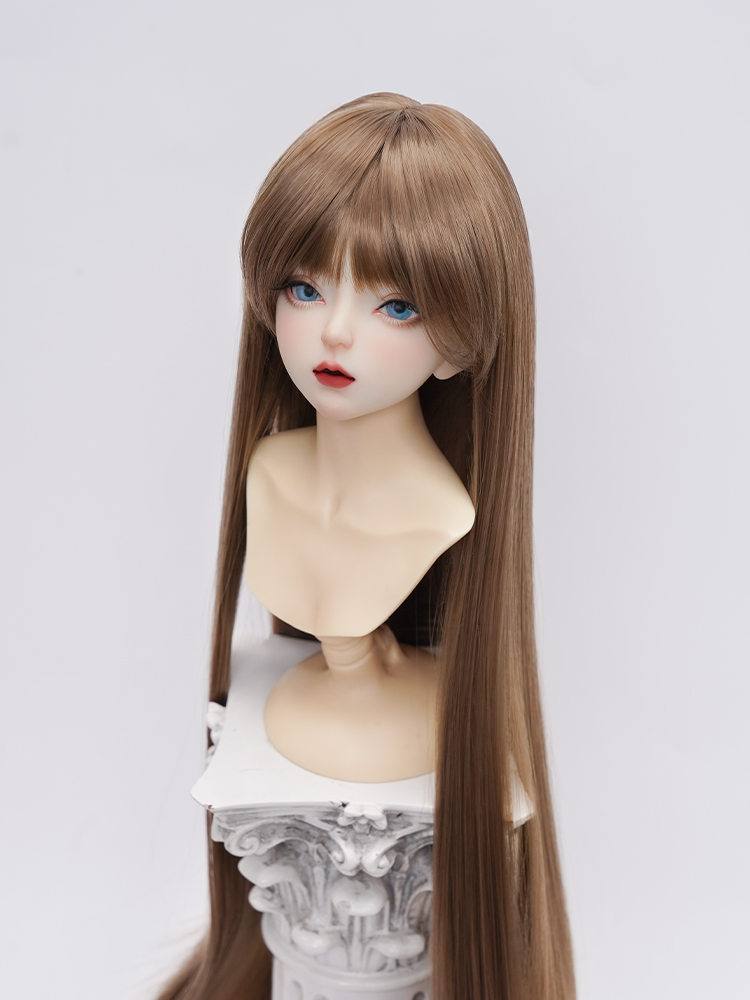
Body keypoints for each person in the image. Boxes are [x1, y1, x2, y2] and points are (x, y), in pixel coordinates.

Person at [158, 92, 575, 1000]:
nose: (335, 331)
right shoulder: (270, 475)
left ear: (459, 346)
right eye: (305, 289)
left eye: (394, 304)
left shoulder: (438, 519)